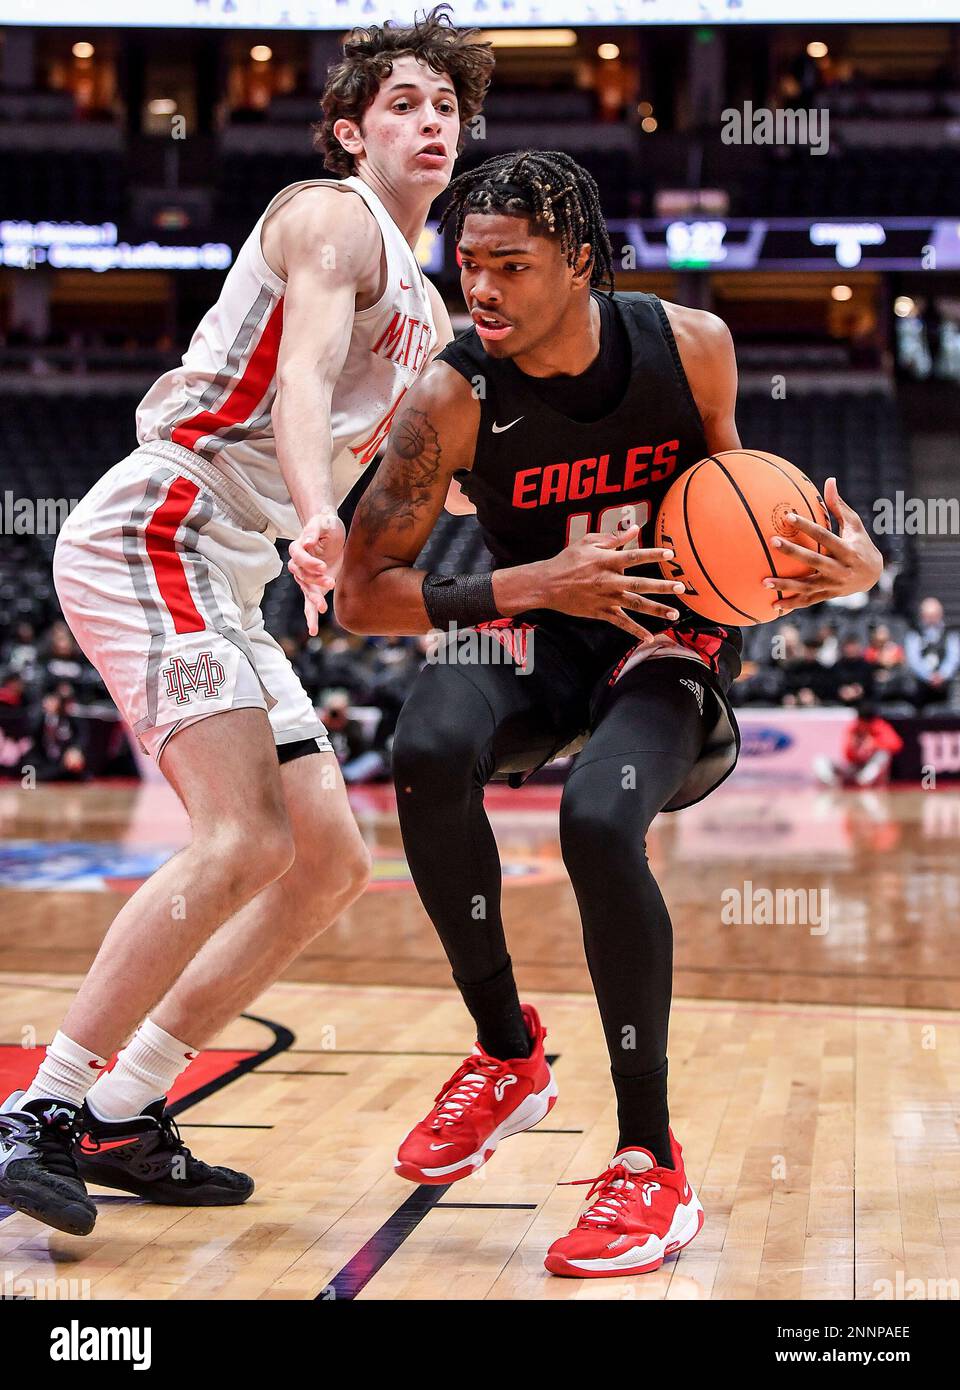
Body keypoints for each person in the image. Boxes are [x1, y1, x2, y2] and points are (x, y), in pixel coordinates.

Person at [336, 149, 883, 1278]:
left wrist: (849, 569)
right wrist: (535, 586)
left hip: (663, 642)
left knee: (598, 819)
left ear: (579, 260)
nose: (477, 288)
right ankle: (506, 1055)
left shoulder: (691, 347)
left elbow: (753, 525)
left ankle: (649, 1158)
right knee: (427, 741)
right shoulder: (452, 395)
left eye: (509, 265)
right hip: (531, 629)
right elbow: (359, 596)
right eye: (465, 262)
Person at [0, 7, 494, 1238]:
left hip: (226, 567)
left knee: (327, 859)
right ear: (349, 130)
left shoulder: (432, 312)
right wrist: (319, 512)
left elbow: (425, 476)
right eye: (403, 104)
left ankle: (127, 1106)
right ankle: (42, 1110)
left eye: (447, 107)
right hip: (156, 526)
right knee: (236, 835)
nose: (430, 122)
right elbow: (304, 377)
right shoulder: (329, 219)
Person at [815, 703, 903, 787]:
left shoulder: (879, 726)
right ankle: (832, 783)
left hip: (871, 769)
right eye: (862, 720)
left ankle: (865, 781)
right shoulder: (853, 728)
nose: (864, 724)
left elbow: (897, 745)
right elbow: (847, 756)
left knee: (883, 755)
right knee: (820, 760)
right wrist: (854, 748)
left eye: (867, 721)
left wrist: (874, 744)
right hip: (854, 768)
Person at [905, 596, 959, 711]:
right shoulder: (914, 633)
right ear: (922, 615)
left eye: (934, 615)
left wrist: (942, 675)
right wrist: (929, 676)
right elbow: (913, 660)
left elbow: (953, 658)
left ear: (940, 614)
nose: (931, 619)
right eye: (928, 615)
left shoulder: (950, 633)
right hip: (921, 686)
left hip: (944, 686)